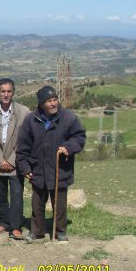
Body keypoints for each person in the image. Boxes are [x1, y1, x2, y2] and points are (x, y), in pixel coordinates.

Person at [16, 86, 86, 241]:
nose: (54, 103)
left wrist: (68, 147)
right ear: (41, 104)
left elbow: (79, 137)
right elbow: (23, 147)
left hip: (59, 168)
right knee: (37, 202)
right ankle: (37, 231)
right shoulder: (31, 119)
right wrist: (25, 167)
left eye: (55, 99)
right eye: (49, 101)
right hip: (38, 168)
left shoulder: (68, 117)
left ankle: (60, 231)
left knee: (59, 203)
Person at [0, 78, 30, 239]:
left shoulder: (24, 112)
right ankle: (3, 221)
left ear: (13, 92)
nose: (6, 94)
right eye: (2, 91)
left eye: (9, 91)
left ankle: (16, 226)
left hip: (16, 161)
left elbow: (25, 139)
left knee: (17, 195)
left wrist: (10, 160)